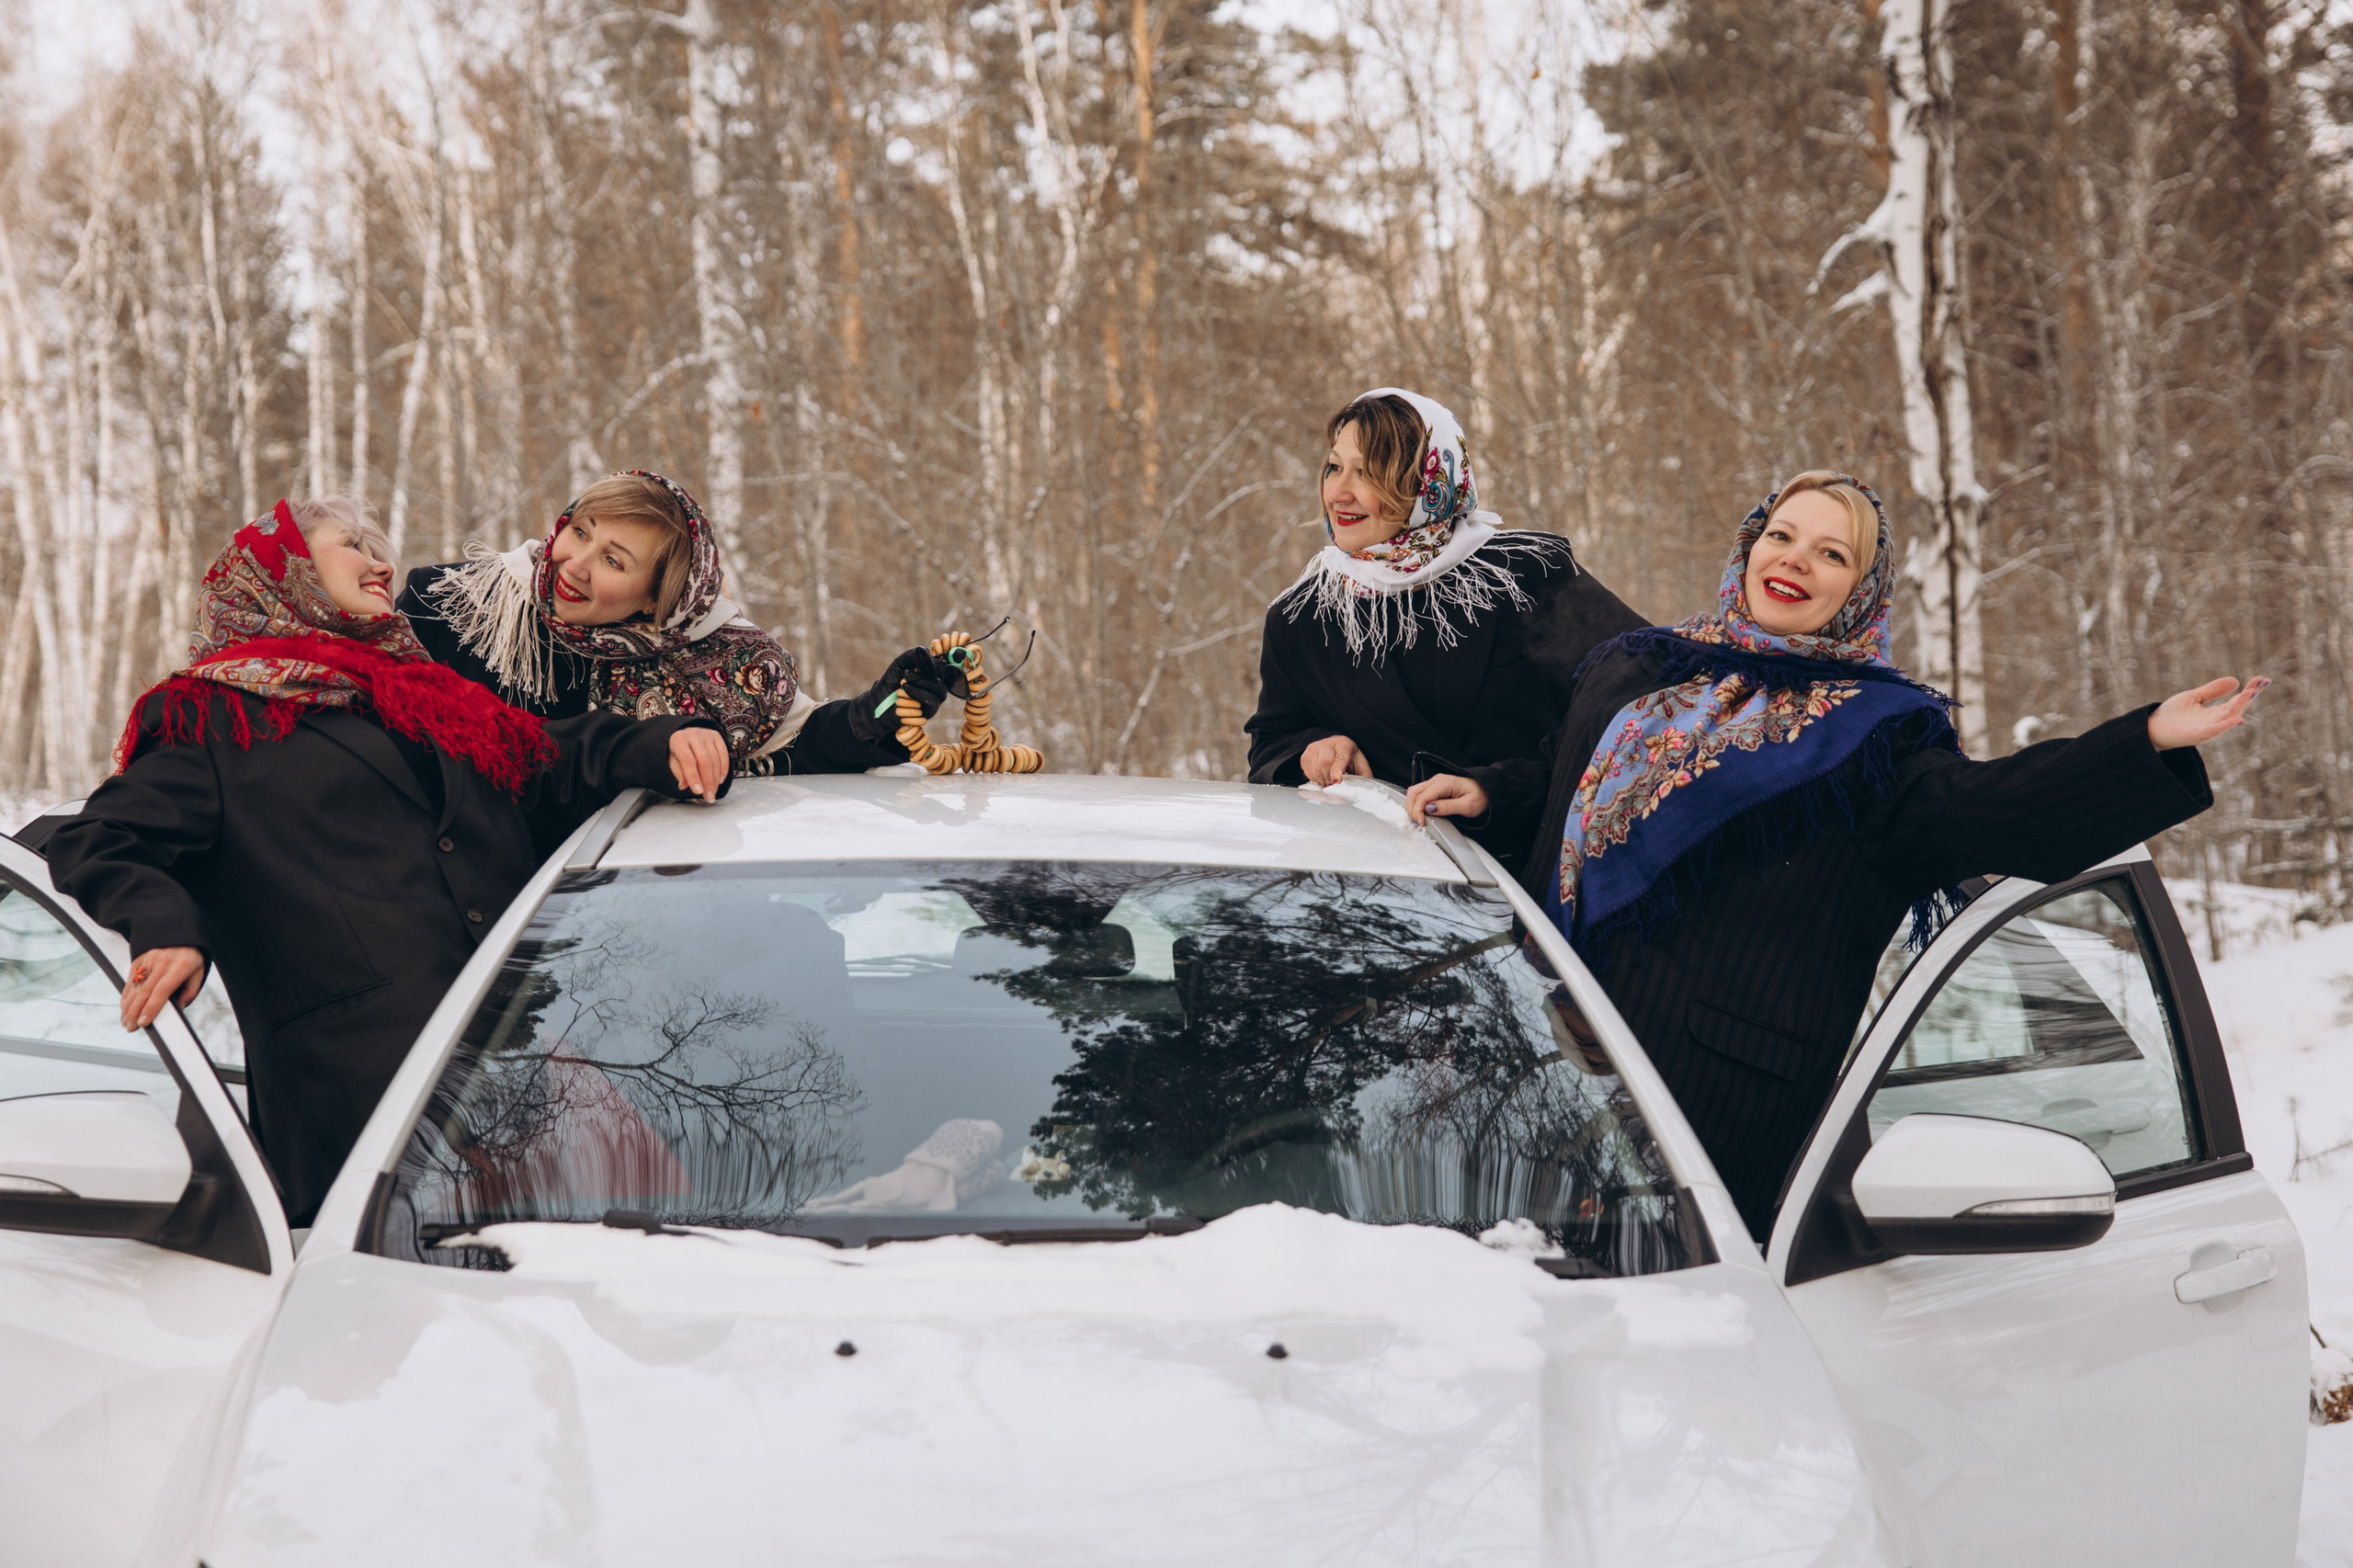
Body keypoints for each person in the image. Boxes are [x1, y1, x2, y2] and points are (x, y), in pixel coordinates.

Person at [1405, 472, 2262, 1237]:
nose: (1795, 562)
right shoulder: (1641, 670)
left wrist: (2146, 741)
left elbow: (1995, 811)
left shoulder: (1874, 737)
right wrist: (1492, 793)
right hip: (1544, 1049)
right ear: (1749, 545)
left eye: (1831, 554)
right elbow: (1568, 771)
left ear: (1862, 591)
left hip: (1708, 1096)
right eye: (1781, 536)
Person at [46, 497, 732, 1225]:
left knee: (652, 1271)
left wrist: (661, 742)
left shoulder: (424, 695)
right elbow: (98, 838)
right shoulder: (212, 715)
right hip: (365, 1105)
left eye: (381, 547)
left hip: (527, 1064)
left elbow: (549, 756)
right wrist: (164, 925)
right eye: (353, 545)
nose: (382, 563)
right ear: (287, 572)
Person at [1244, 389, 1645, 865]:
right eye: (1334, 467)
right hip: (1397, 902)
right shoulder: (1302, 618)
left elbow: (1639, 705)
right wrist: (1311, 749)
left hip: (1551, 881)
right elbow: (1269, 749)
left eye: (1369, 472)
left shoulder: (1526, 574)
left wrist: (1499, 790)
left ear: (1429, 480)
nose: (1338, 493)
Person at [398, 470, 946, 776]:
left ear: (657, 598)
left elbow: (797, 747)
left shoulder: (723, 660)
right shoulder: (456, 605)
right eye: (581, 531)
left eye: (615, 561)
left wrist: (875, 714)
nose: (575, 564)